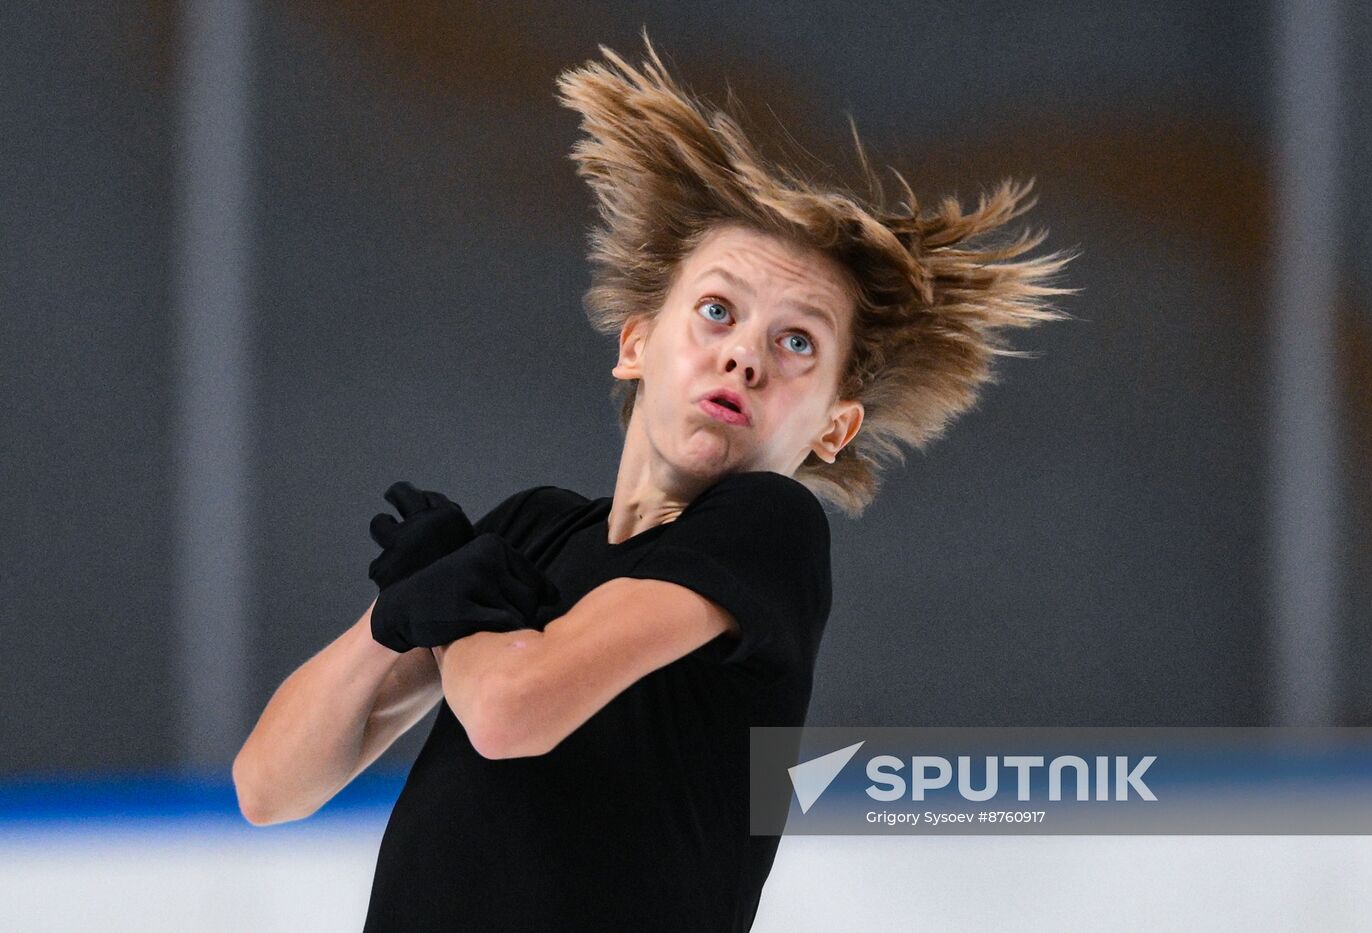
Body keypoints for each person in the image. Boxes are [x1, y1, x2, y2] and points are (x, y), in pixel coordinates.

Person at [231, 29, 1076, 933]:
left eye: (798, 343)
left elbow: (513, 711)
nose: (746, 355)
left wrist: (458, 608)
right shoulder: (531, 534)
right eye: (717, 311)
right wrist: (396, 618)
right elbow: (269, 786)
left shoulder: (765, 531)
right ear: (638, 343)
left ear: (834, 425)